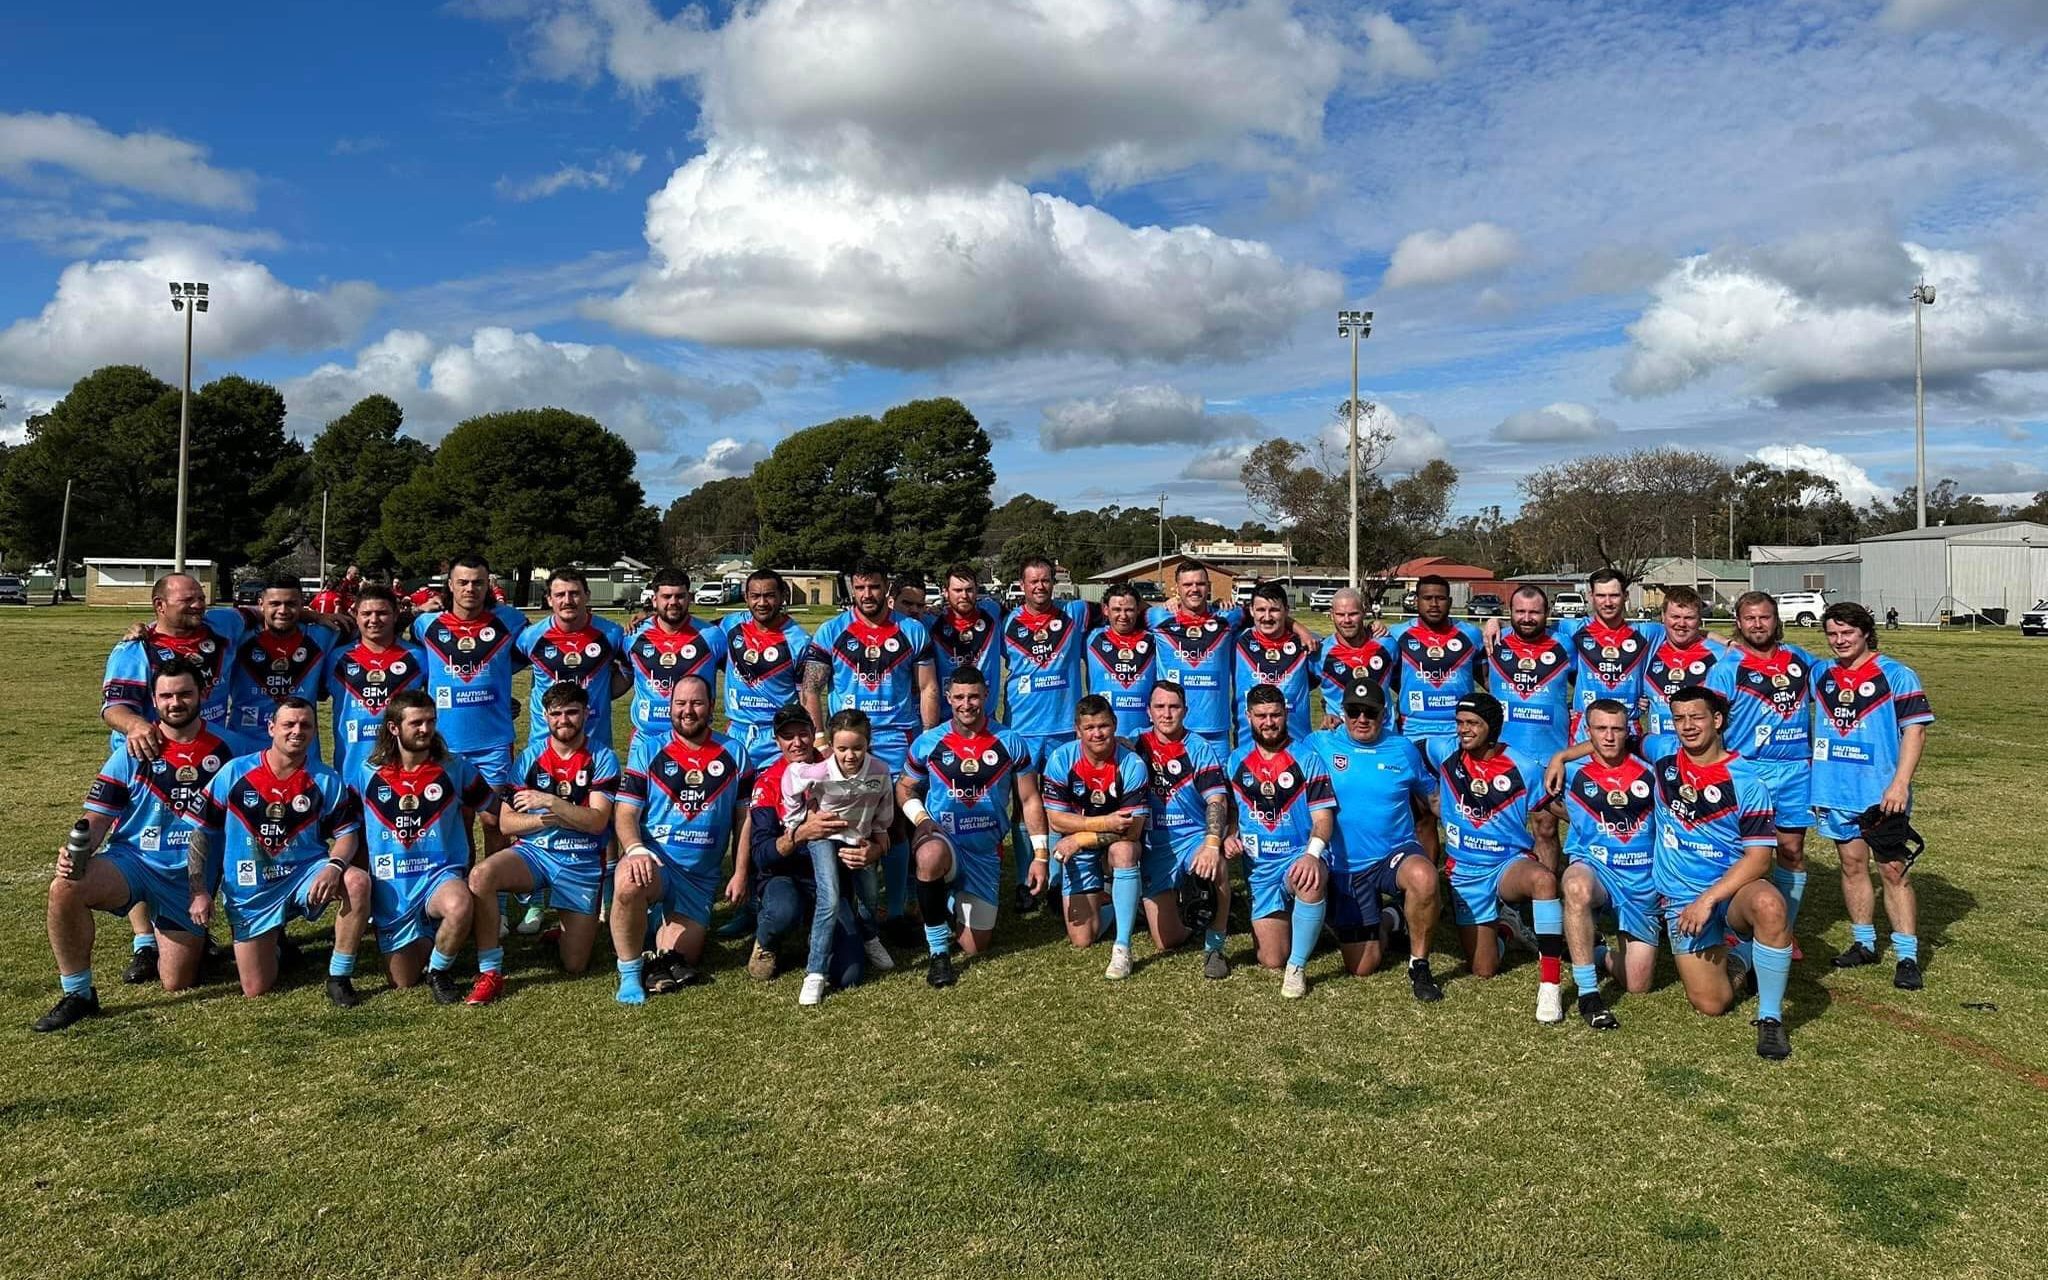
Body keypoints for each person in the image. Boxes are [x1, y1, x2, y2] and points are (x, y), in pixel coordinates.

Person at [34, 660, 248, 1030]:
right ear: (154, 699)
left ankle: (191, 943)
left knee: (176, 982)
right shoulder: (132, 751)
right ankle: (78, 993)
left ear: (203, 694)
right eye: (166, 696)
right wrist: (76, 852)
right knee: (65, 887)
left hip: (189, 878)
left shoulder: (233, 750)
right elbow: (97, 817)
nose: (175, 703)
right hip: (132, 862)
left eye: (184, 694)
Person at [185, 697, 369, 1001]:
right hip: (252, 889)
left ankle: (339, 975)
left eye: (305, 725)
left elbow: (347, 834)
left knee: (357, 882)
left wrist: (334, 867)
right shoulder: (235, 773)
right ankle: (276, 943)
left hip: (304, 876)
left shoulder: (325, 779)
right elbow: (201, 832)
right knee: (256, 988)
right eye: (289, 724)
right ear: (271, 728)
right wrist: (198, 890)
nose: (297, 731)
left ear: (314, 731)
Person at [1650, 687, 1795, 1060]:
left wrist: (1708, 899)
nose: (1687, 726)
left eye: (1696, 717)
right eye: (1679, 718)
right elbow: (1614, 740)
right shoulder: (1662, 756)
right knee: (1712, 1003)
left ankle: (1770, 1018)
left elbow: (1759, 860)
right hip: (1681, 897)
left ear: (1717, 720)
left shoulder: (1746, 781)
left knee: (1770, 904)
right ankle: (1743, 955)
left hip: (1730, 892)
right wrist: (1564, 757)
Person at [466, 681, 621, 1004]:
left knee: (575, 965)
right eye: (556, 714)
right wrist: (550, 819)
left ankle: (562, 933)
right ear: (545, 716)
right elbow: (506, 823)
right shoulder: (529, 757)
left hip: (581, 860)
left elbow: (597, 822)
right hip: (534, 853)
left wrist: (549, 801)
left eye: (572, 712)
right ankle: (490, 972)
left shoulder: (603, 757)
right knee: (481, 876)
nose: (564, 720)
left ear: (586, 714)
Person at [805, 559, 938, 926]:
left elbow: (928, 687)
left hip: (897, 739)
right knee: (847, 823)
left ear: (886, 588)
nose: (867, 594)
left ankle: (895, 911)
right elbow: (811, 688)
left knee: (895, 824)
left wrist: (928, 739)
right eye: (860, 587)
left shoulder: (911, 630)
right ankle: (855, 911)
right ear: (852, 588)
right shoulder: (832, 631)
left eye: (874, 587)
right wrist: (822, 740)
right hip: (847, 743)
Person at [1420, 691, 1567, 1023]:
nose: (1464, 730)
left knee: (1544, 880)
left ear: (1492, 728)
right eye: (1460, 722)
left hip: (1507, 864)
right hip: (1464, 873)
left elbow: (1557, 806)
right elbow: (1405, 752)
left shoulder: (1523, 766)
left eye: (1473, 723)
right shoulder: (1443, 750)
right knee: (1484, 969)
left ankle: (1550, 986)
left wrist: (1598, 822)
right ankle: (1507, 928)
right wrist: (1426, 795)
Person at [1810, 601, 1934, 990]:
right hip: (1833, 789)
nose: (1839, 640)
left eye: (1847, 632)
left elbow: (1915, 731)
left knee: (1893, 871)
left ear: (1866, 632)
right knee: (1851, 865)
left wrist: (1899, 784)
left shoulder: (1897, 674)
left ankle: (1907, 956)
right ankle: (1864, 944)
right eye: (1832, 633)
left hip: (1881, 794)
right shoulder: (1821, 674)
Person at [899, 667, 1049, 987]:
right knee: (930, 855)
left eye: (974, 697)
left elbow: (1030, 799)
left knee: (974, 946)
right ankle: (939, 953)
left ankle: (946, 901)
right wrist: (923, 820)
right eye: (959, 697)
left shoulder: (1010, 742)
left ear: (986, 696)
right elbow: (904, 788)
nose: (966, 704)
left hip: (984, 853)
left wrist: (1040, 855)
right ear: (948, 698)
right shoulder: (929, 742)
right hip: (945, 842)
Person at [612, 675, 755, 1004]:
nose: (687, 710)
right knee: (629, 880)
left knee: (681, 957)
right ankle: (630, 974)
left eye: (696, 703)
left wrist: (740, 872)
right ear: (670, 707)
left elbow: (744, 818)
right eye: (680, 703)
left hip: (698, 880)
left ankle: (650, 929)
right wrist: (635, 850)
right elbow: (625, 813)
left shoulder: (735, 752)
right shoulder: (649, 749)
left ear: (711, 706)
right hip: (656, 864)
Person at [349, 690, 495, 1003]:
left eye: (430, 721)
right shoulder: (367, 773)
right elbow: (348, 829)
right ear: (393, 728)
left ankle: (439, 970)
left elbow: (493, 810)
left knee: (459, 904)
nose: (425, 729)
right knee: (403, 981)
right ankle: (429, 934)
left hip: (439, 876)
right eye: (416, 723)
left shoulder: (455, 767)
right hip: (393, 887)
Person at [1309, 679, 1445, 1001]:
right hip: (1346, 866)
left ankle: (1419, 966)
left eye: (1370, 712)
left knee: (1424, 876)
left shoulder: (1403, 749)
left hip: (1393, 854)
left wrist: (1471, 826)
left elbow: (1434, 797)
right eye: (1353, 711)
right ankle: (1390, 918)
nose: (1361, 719)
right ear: (1342, 712)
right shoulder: (1319, 743)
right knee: (1363, 966)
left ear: (1384, 714)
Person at [1705, 591, 1820, 945]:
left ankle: (1783, 930)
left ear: (1776, 620)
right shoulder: (1727, 669)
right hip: (1749, 771)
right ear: (1739, 623)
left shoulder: (1800, 659)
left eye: (1765, 617)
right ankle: (1733, 928)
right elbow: (1710, 722)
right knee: (1742, 853)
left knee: (1791, 850)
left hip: (1796, 770)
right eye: (1750, 618)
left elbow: (1837, 684)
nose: (1758, 624)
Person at [1546, 698, 1660, 1030]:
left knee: (1638, 983)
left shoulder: (1652, 772)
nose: (1609, 736)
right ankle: (1589, 993)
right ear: (1587, 730)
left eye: (1617, 729)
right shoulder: (1569, 773)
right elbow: (1543, 803)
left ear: (1629, 731)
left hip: (1641, 881)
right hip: (1595, 870)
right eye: (1601, 729)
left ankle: (1595, 952)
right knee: (1575, 885)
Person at [409, 555, 528, 857]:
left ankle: (494, 885)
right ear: (450, 585)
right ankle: (464, 881)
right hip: (445, 742)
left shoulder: (510, 621)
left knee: (493, 819)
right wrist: (415, 609)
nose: (470, 589)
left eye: (478, 583)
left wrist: (498, 688)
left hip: (494, 742)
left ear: (488, 585)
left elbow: (532, 653)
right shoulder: (425, 625)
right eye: (462, 582)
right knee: (458, 820)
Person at [745, 705, 871, 991]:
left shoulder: (838, 766)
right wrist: (802, 834)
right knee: (783, 910)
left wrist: (873, 847)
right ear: (777, 741)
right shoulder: (768, 781)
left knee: (849, 976)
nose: (797, 742)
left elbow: (872, 817)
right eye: (787, 736)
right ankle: (767, 940)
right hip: (784, 875)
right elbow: (762, 855)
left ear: (814, 734)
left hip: (830, 880)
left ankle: (822, 932)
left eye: (803, 733)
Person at [1224, 683, 1336, 999]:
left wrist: (1312, 854)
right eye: (1261, 716)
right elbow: (1233, 812)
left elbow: (1323, 819)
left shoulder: (1307, 758)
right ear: (1248, 717)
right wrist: (1230, 836)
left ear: (1285, 714)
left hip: (1297, 857)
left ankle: (1297, 968)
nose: (1269, 722)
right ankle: (1311, 923)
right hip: (1260, 870)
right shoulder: (1236, 761)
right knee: (1271, 958)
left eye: (1275, 715)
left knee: (1311, 878)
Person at [997, 556, 1096, 912]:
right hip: (1022, 730)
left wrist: (1169, 605)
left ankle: (1057, 879)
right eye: (1033, 581)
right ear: (1022, 585)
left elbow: (1124, 606)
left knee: (1061, 806)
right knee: (1023, 808)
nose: (1040, 586)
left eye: (1045, 580)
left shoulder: (1075, 613)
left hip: (1063, 730)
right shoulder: (1005, 622)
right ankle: (1027, 881)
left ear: (1054, 582)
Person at [780, 708, 895, 1005]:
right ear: (831, 746)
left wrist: (880, 830)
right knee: (829, 898)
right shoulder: (819, 771)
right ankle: (815, 972)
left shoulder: (880, 770)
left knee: (869, 896)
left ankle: (870, 937)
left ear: (868, 744)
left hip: (859, 837)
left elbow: (884, 800)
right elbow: (791, 778)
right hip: (824, 838)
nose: (850, 756)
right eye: (842, 748)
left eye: (858, 748)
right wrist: (796, 821)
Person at [1041, 695, 1152, 978]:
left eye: (1103, 725)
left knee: (1124, 851)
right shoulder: (1061, 759)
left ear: (1114, 724)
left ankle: (1122, 948)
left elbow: (1133, 830)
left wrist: (1081, 838)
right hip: (1083, 845)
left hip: (1099, 842)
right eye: (1089, 727)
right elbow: (1056, 820)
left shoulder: (1131, 764)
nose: (1097, 733)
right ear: (1077, 729)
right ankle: (1124, 903)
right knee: (1082, 938)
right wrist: (1104, 822)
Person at [1131, 681, 1233, 978]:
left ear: (1185, 711)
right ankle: (1186, 906)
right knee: (1167, 941)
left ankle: (1215, 947)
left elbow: (1217, 800)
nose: (1167, 714)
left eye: (1174, 707)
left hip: (1192, 840)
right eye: (1160, 707)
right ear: (1148, 711)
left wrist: (1212, 845)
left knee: (1217, 865)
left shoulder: (1199, 748)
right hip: (1155, 847)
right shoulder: (1134, 744)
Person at [1482, 584, 1572, 870]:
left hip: (1549, 755)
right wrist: (1491, 621)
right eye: (1520, 611)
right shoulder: (1494, 641)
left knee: (1545, 828)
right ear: (1509, 612)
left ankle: (1545, 888)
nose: (1527, 618)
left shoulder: (1566, 643)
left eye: (1535, 612)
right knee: (1499, 829)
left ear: (1547, 613)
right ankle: (1501, 886)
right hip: (1503, 753)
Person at [225, 576, 342, 757]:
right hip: (246, 749)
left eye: (291, 604)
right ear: (261, 604)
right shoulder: (238, 638)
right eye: (275, 603)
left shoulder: (322, 636)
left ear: (302, 604)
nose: (283, 610)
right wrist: (312, 615)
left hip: (301, 750)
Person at [517, 567, 629, 754]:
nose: (567, 601)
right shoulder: (529, 638)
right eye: (560, 595)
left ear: (587, 596)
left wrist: (605, 693)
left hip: (594, 746)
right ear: (549, 599)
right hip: (544, 747)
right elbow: (498, 668)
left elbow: (632, 669)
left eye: (574, 593)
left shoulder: (611, 635)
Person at [323, 584, 428, 781]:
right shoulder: (336, 658)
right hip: (351, 773)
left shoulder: (418, 657)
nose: (374, 620)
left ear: (395, 615)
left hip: (404, 772)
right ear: (355, 615)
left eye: (382, 613)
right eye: (366, 613)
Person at [629, 567, 731, 753]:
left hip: (695, 740)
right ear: (654, 600)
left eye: (680, 596)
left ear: (689, 598)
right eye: (666, 596)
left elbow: (738, 673)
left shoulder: (712, 636)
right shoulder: (632, 635)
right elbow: (619, 673)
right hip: (646, 741)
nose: (673, 602)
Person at [1388, 574, 1486, 769]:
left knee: (1456, 786)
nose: (1434, 604)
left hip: (1459, 730)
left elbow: (1488, 679)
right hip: (1412, 730)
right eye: (1427, 598)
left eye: (1440, 598)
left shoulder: (1472, 634)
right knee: (1416, 786)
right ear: (1416, 601)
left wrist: (1496, 623)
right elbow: (1385, 677)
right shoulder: (1396, 635)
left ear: (1450, 601)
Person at [1146, 560, 1244, 749]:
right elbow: (1129, 608)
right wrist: (1165, 602)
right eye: (1187, 584)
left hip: (1215, 733)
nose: (1194, 589)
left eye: (1200, 583)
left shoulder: (1228, 616)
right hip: (1170, 731)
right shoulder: (1158, 617)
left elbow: (1268, 612)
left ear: (1208, 586)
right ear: (1177, 589)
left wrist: (1299, 630)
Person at [719, 568, 811, 767]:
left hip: (777, 739)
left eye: (769, 596)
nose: (761, 603)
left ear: (782, 596)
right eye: (755, 596)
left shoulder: (799, 640)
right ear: (746, 597)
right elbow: (693, 632)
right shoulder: (730, 625)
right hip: (736, 735)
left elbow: (806, 695)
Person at [1563, 568, 1661, 740]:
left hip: (1628, 729)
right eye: (1601, 595)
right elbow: (1528, 633)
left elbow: (1686, 631)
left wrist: (1721, 640)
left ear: (1626, 596)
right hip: (1584, 730)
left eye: (1614, 595)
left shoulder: (1647, 633)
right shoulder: (1572, 629)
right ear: (1591, 596)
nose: (1607, 602)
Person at [1638, 586, 1726, 762]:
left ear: (1699, 619)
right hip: (1660, 756)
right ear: (1663, 616)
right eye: (1675, 617)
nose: (1681, 624)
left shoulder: (1721, 655)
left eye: (1689, 618)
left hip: (1702, 758)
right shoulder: (1649, 649)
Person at [1232, 582, 1318, 744]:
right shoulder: (1236, 642)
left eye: (1274, 610)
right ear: (1251, 611)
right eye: (1260, 610)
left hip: (1296, 747)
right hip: (1248, 746)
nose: (1267, 617)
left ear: (1286, 610)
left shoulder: (1306, 645)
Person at [1083, 583, 1157, 739]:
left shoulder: (1153, 640)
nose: (1123, 616)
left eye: (1129, 610)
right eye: (1117, 609)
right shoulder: (1090, 638)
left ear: (1138, 610)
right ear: (1105, 610)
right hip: (1102, 735)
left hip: (1145, 736)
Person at [1317, 588, 1397, 732]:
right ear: (1331, 615)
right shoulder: (1319, 653)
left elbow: (1405, 683)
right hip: (1340, 737)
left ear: (1364, 612)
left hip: (1385, 735)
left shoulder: (1388, 645)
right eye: (1340, 614)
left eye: (1353, 614)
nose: (1347, 620)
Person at [926, 563, 1003, 694]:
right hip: (946, 706)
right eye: (958, 590)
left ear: (977, 590)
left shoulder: (992, 611)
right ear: (945, 592)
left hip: (985, 706)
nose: (964, 596)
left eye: (969, 590)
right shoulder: (931, 621)